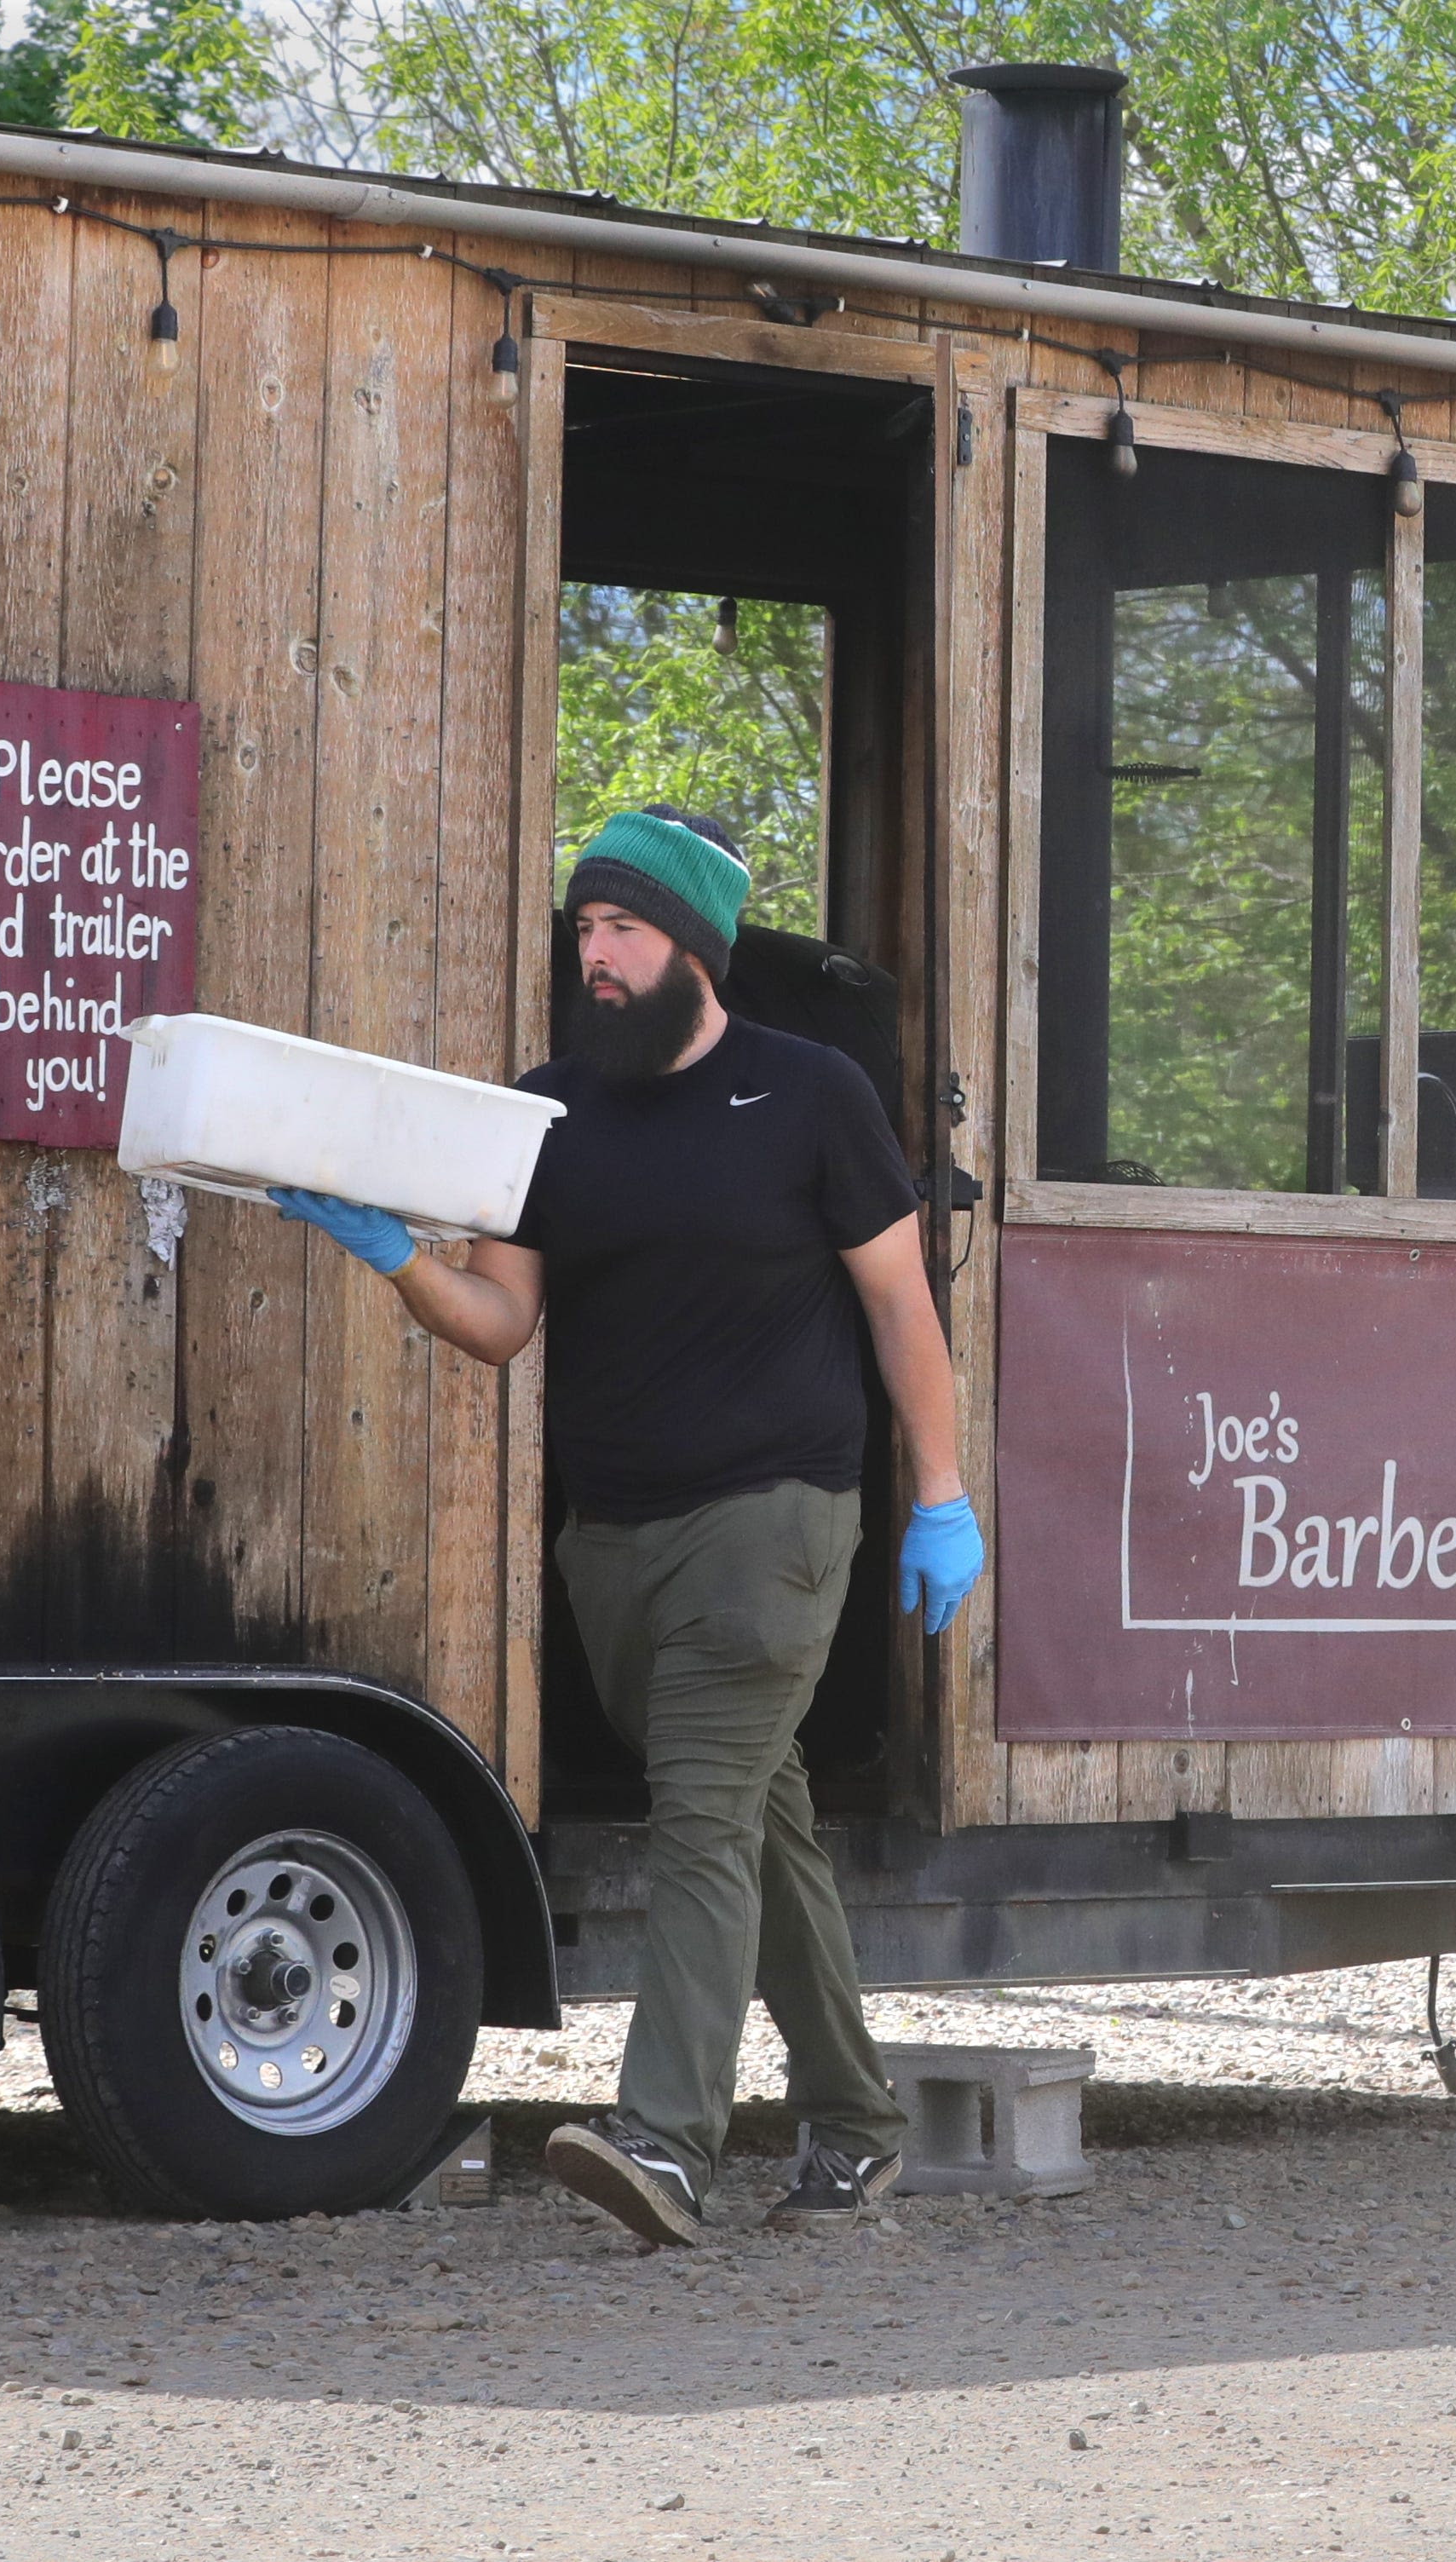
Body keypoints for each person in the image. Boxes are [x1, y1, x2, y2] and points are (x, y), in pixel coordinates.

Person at [273, 807, 984, 2246]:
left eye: (624, 931)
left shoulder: (810, 1095)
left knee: (700, 1817)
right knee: (756, 1820)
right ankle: (854, 2128)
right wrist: (400, 1257)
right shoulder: (546, 1115)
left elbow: (902, 1308)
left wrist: (941, 1496)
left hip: (774, 1521)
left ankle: (665, 2140)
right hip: (613, 1541)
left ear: (695, 952)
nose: (595, 957)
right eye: (585, 930)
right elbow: (501, 1321)